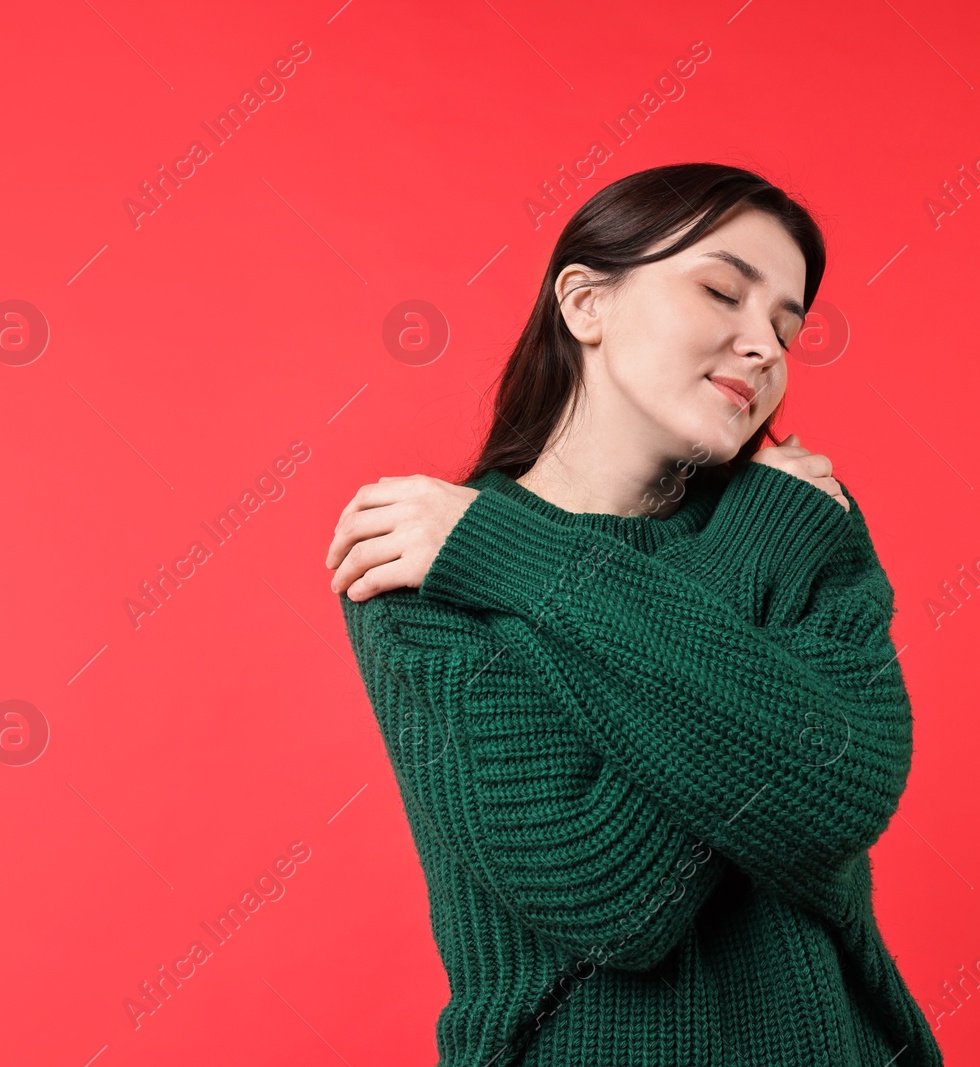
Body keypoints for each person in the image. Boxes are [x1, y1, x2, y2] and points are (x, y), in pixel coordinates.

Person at [325, 162, 942, 1066]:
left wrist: (524, 555)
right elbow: (613, 898)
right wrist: (512, 549)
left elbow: (840, 788)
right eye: (722, 291)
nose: (764, 346)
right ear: (585, 302)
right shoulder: (422, 568)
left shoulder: (802, 528)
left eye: (785, 325)